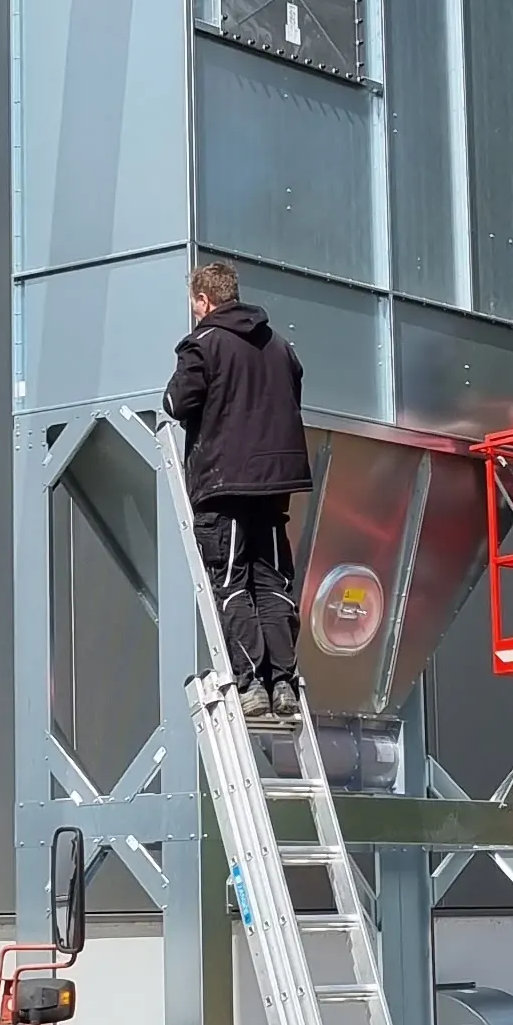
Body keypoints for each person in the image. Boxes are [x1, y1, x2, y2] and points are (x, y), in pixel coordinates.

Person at [165, 259, 309, 710]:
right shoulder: (280, 345)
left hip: (225, 483)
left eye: (194, 304)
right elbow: (291, 395)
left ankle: (249, 684)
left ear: (204, 300)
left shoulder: (203, 344)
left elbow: (175, 402)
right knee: (270, 581)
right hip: (275, 486)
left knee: (230, 582)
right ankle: (282, 682)